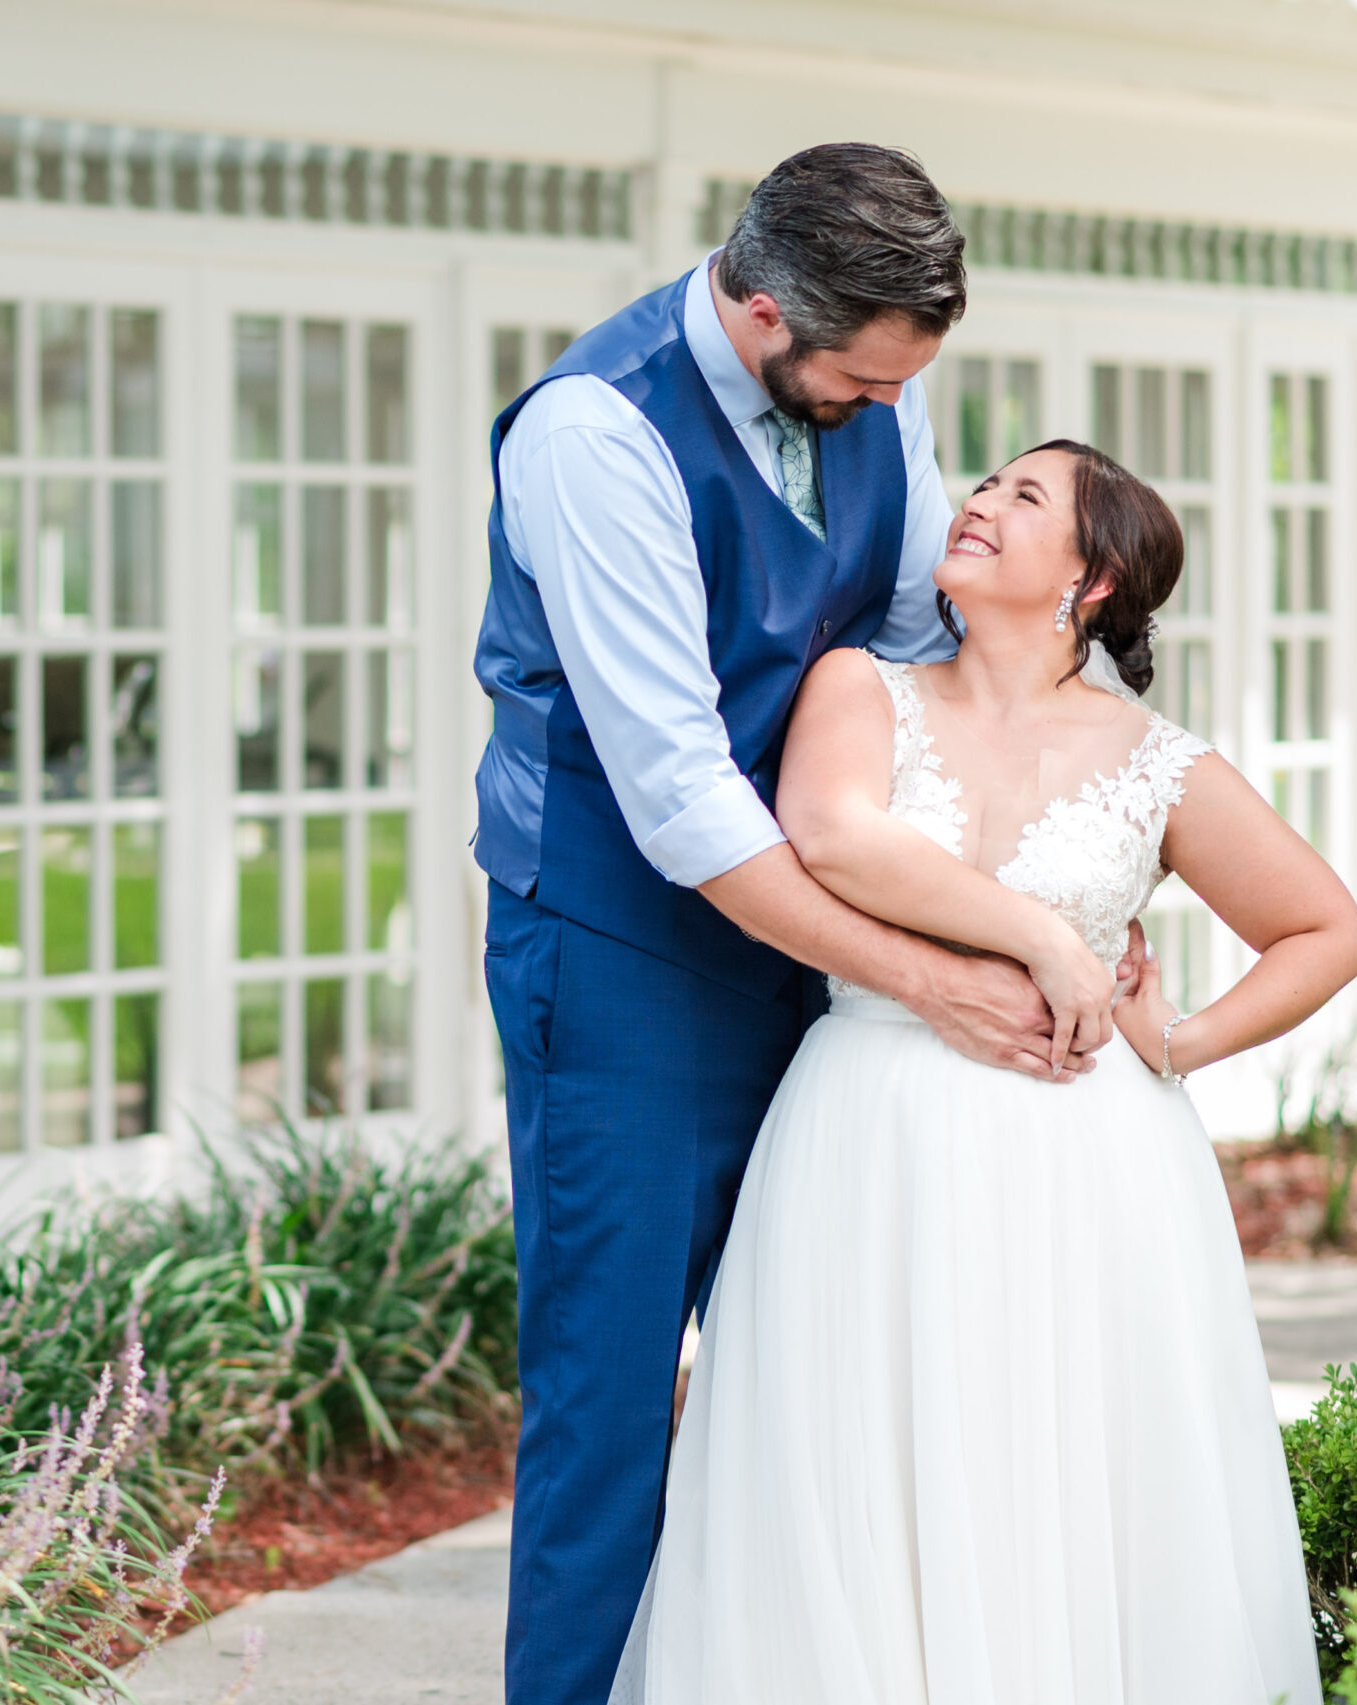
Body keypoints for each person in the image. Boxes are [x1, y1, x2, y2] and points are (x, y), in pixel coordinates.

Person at [474, 143, 1130, 1705]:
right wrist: (933, 973)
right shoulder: (596, 436)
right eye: (860, 380)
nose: (891, 417)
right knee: (614, 1395)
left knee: (814, 1370)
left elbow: (928, 658)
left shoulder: (875, 405)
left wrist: (1060, 898)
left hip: (822, 949)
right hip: (620, 948)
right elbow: (684, 799)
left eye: (910, 384)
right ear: (764, 311)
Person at [610, 439, 1357, 1703]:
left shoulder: (1157, 762)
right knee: (850, 1462)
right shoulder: (860, 685)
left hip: (1089, 1165)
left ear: (1095, 580)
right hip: (866, 1132)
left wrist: (1179, 1043)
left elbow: (1325, 929)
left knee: (1053, 1466)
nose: (977, 504)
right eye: (985, 484)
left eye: (1025, 499)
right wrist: (1044, 937)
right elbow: (832, 834)